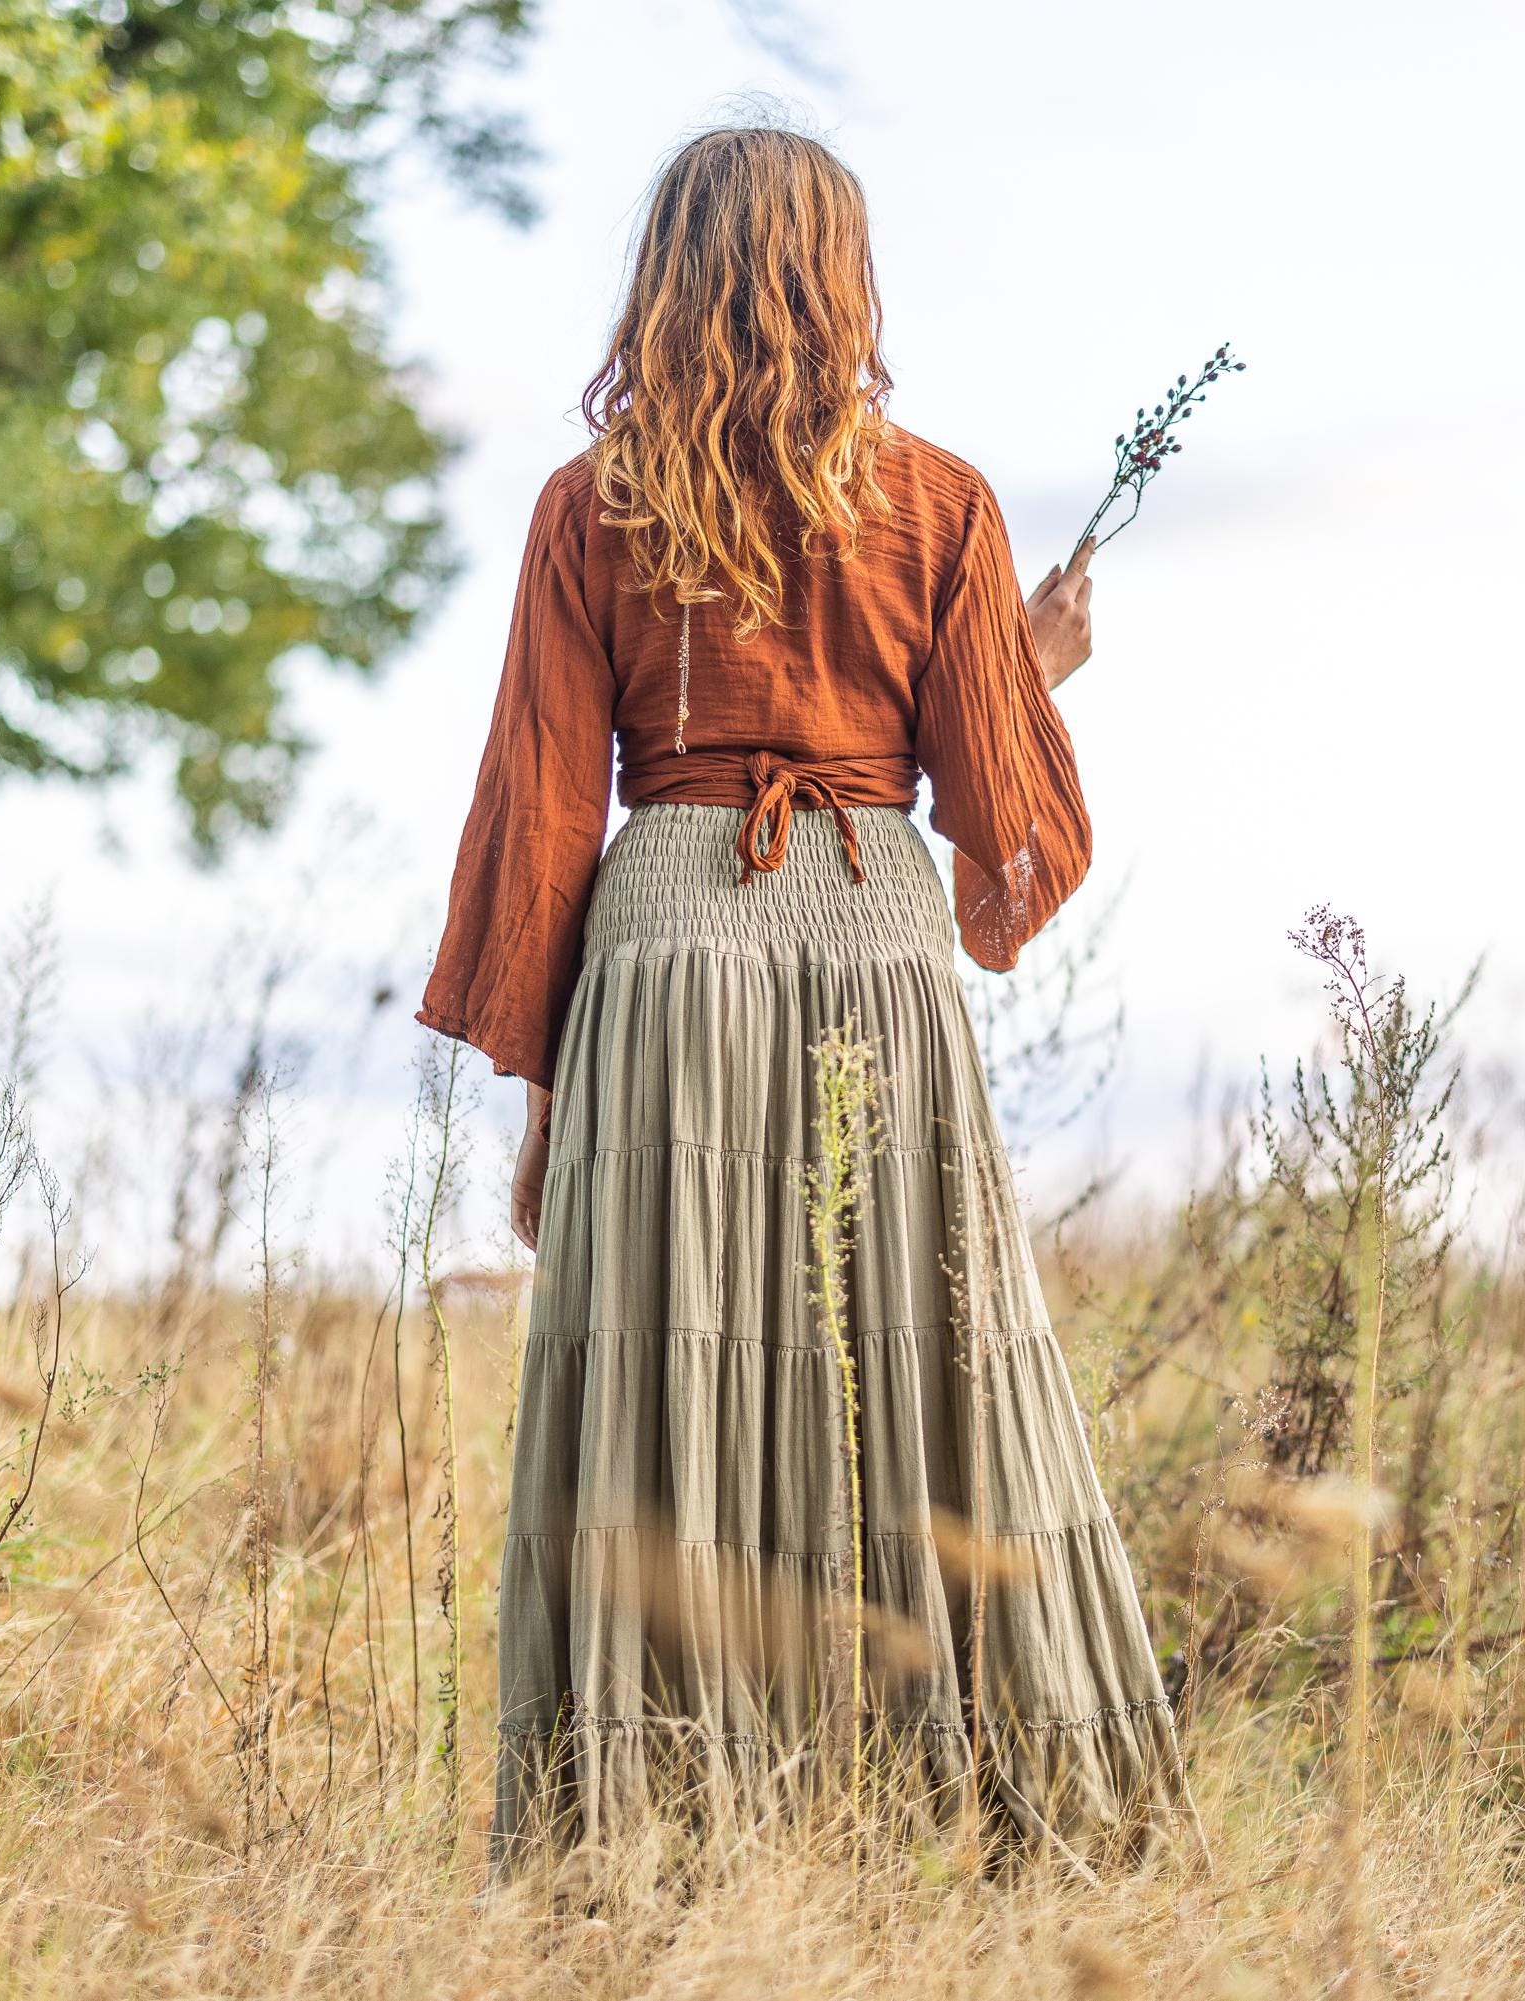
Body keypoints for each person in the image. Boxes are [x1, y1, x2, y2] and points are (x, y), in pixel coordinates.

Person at [420, 125, 1186, 1875]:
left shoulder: (584, 507)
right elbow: (1004, 837)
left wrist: (543, 1112)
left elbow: (546, 821)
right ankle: (975, 1806)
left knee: (669, 1377)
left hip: (668, 940)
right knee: (928, 1360)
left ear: (666, 278)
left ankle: (655, 1823)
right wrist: (1030, 673)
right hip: (874, 936)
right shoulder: (944, 501)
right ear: (844, 277)